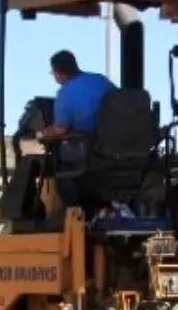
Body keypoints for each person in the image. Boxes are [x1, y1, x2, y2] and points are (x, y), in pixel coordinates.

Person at [34, 49, 117, 209]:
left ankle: (78, 214)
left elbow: (60, 130)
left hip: (89, 151)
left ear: (59, 72)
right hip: (115, 147)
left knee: (62, 174)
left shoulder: (65, 94)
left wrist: (41, 134)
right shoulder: (100, 80)